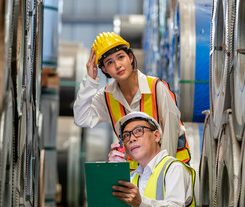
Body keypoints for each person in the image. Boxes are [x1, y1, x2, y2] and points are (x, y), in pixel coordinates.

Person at [73, 32, 190, 170]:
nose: (118, 65)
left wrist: (163, 177)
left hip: (172, 171)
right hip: (137, 175)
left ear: (130, 57)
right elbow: (81, 119)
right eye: (110, 62)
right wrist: (90, 80)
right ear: (104, 69)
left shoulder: (157, 88)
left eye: (121, 57)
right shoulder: (106, 96)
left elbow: (171, 135)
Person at [75, 112, 196, 207]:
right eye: (126, 136)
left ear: (156, 136)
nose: (131, 138)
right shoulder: (134, 177)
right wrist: (111, 172)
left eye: (138, 131)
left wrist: (140, 203)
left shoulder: (173, 168)